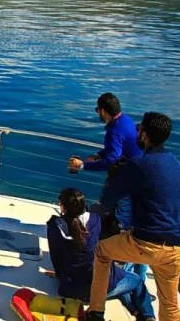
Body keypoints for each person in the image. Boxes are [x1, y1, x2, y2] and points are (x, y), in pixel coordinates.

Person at [86, 112, 180, 321]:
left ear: (144, 135)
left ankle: (95, 311)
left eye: (139, 129)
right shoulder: (177, 164)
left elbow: (107, 200)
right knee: (170, 308)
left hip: (145, 245)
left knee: (102, 252)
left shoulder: (139, 164)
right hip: (175, 251)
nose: (137, 132)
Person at [68, 93, 146, 281]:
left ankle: (123, 276)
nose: (97, 113)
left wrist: (83, 165)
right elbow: (117, 149)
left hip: (125, 183)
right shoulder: (125, 121)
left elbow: (112, 158)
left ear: (104, 111)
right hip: (135, 179)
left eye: (97, 109)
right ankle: (136, 274)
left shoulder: (114, 131)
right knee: (129, 224)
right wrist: (98, 154)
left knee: (121, 224)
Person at [47, 188, 156, 321]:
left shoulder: (54, 227)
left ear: (63, 208)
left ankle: (135, 312)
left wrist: (59, 274)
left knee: (120, 280)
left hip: (69, 289)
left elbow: (55, 256)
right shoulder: (95, 220)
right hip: (99, 289)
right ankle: (149, 317)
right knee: (136, 280)